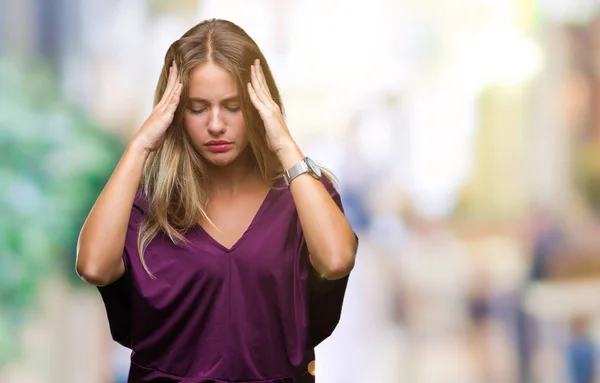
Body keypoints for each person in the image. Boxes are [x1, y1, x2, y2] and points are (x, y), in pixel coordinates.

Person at [75, 18, 358, 382]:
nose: (216, 124)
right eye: (197, 108)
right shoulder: (146, 203)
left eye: (233, 106)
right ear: (174, 111)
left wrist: (285, 144)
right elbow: (94, 267)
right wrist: (140, 146)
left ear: (260, 105)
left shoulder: (302, 194)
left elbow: (336, 260)